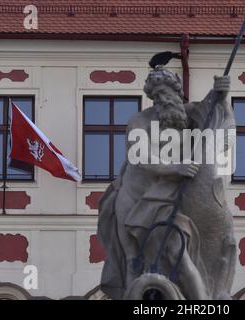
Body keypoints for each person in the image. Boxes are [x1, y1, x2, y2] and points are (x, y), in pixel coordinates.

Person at [97, 67, 235, 299]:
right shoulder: (140, 121)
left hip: (169, 200)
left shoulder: (189, 115)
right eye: (156, 96)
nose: (161, 99)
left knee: (176, 252)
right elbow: (141, 158)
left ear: (176, 92)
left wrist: (221, 94)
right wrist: (175, 168)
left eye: (164, 93)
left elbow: (215, 116)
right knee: (134, 259)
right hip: (136, 199)